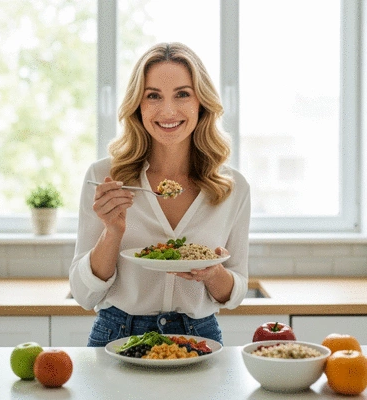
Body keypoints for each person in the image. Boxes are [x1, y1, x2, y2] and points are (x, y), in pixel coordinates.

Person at [69, 42, 250, 347]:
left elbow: (234, 293)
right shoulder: (105, 178)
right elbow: (84, 295)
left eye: (182, 94)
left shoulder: (232, 187)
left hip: (198, 336)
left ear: (201, 103)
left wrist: (212, 273)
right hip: (118, 335)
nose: (168, 111)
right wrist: (112, 231)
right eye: (153, 96)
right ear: (138, 105)